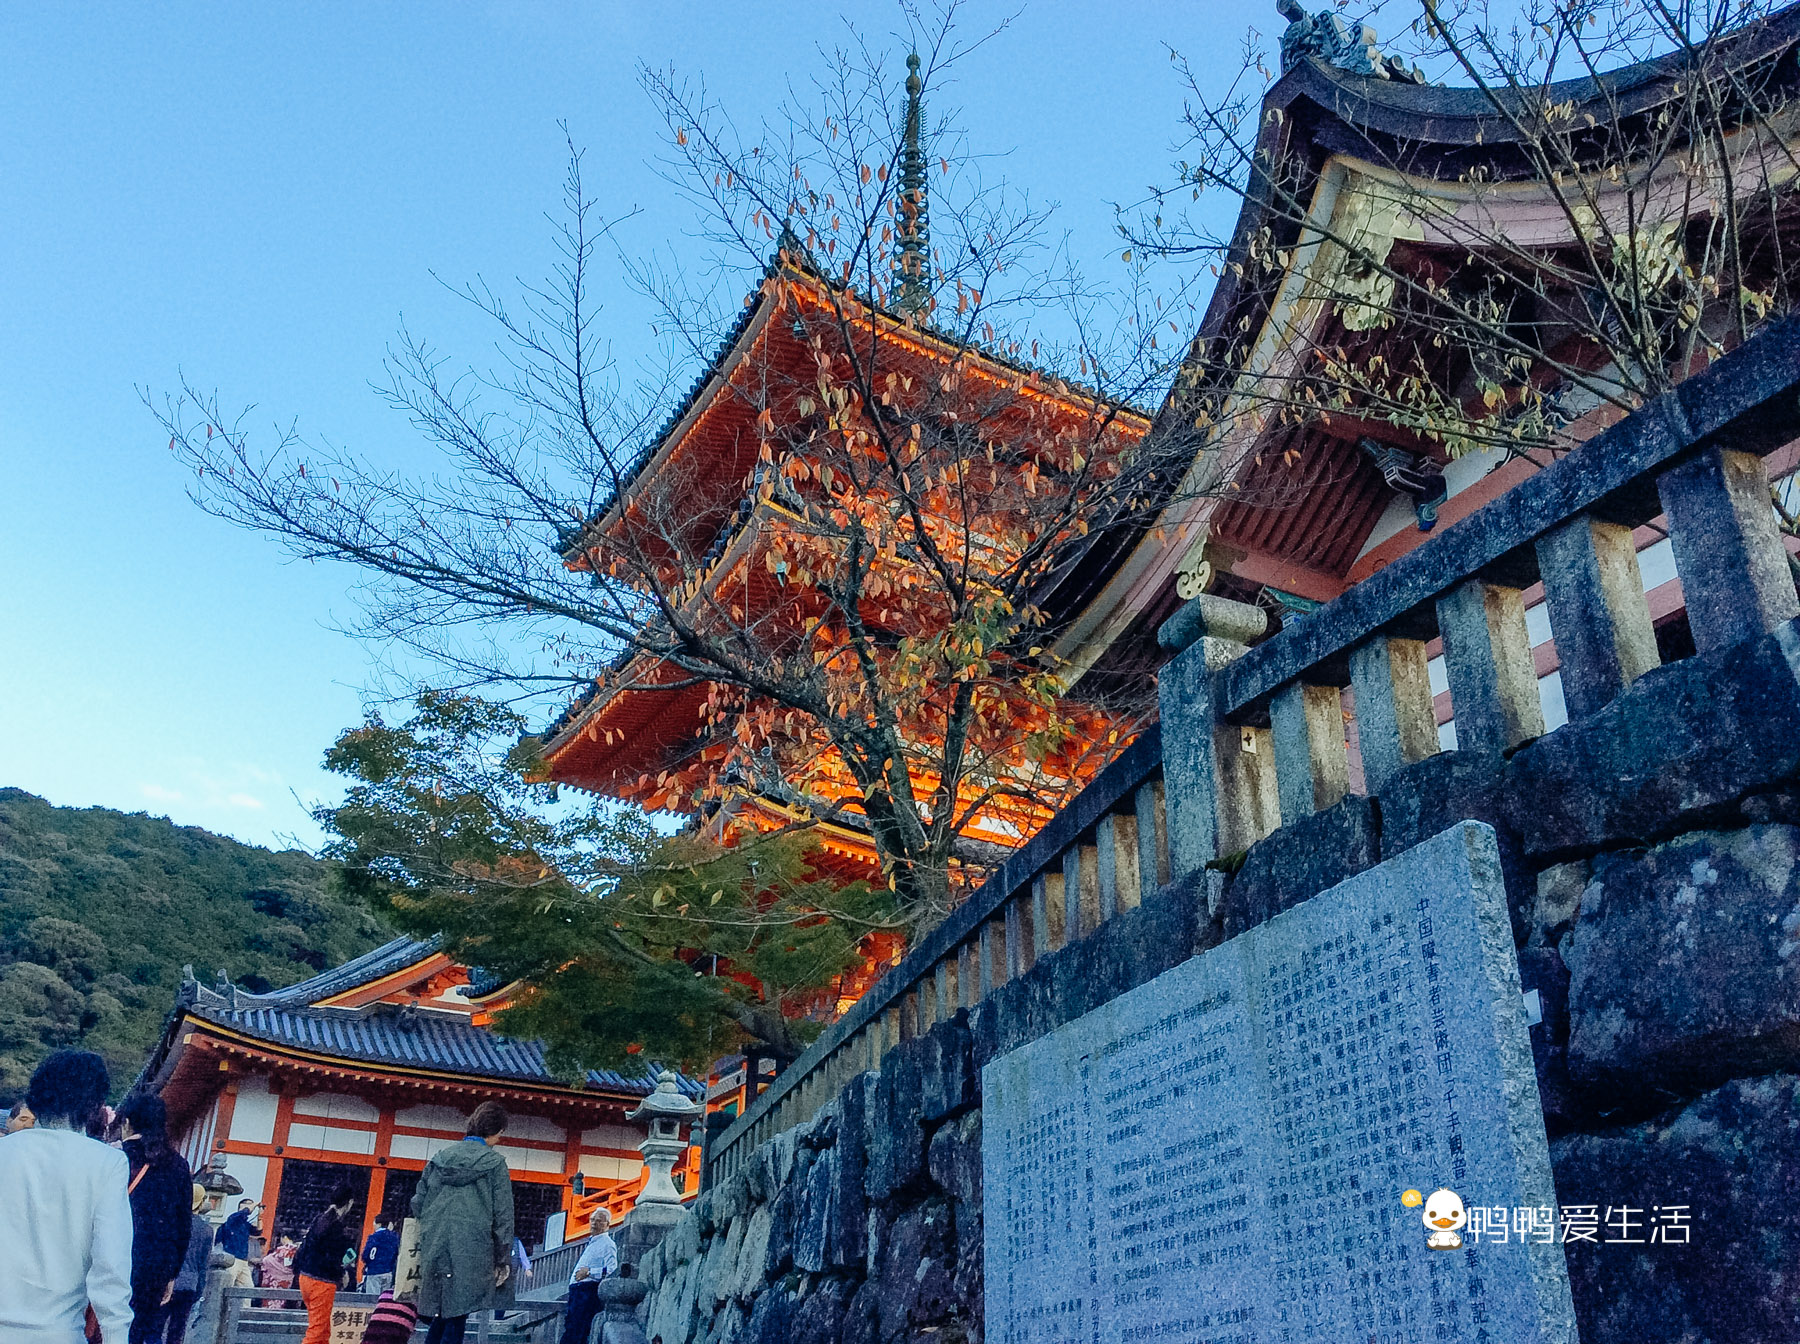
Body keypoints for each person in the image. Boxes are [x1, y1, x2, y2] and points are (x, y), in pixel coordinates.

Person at [0, 1049, 133, 1344]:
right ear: (95, 1104)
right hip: (57, 1334)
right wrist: (116, 1337)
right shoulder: (106, 1164)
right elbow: (111, 1266)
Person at [411, 1100, 515, 1344]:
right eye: (500, 1133)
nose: (500, 1138)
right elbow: (503, 1216)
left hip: (436, 1241)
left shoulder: (439, 1158)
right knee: (458, 1313)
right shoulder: (495, 1164)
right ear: (494, 1131)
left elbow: (417, 1202)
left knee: (441, 1313)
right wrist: (502, 1258)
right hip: (472, 1248)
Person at [116, 1091, 195, 1344]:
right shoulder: (178, 1165)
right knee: (144, 1329)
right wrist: (172, 1274)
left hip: (115, 1254)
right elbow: (183, 1226)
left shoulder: (115, 1157)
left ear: (127, 1122)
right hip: (156, 1265)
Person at [293, 1182, 360, 1344]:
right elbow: (331, 1259)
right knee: (316, 1332)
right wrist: (342, 1273)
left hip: (305, 1278)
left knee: (322, 1330)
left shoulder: (319, 1220)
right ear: (349, 1202)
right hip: (321, 1283)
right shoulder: (336, 1226)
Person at [160, 1183, 213, 1344]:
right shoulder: (206, 1230)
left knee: (156, 1325)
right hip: (190, 1284)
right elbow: (204, 1264)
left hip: (166, 1280)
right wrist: (200, 1289)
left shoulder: (172, 1222)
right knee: (178, 1329)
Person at [558, 1207, 617, 1344]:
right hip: (578, 1290)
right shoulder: (593, 1242)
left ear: (607, 1224)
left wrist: (590, 1272)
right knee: (572, 1327)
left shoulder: (608, 1244)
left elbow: (612, 1268)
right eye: (592, 1220)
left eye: (599, 1221)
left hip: (587, 1290)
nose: (594, 1223)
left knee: (578, 1329)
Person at [215, 1198, 262, 1289]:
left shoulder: (245, 1224)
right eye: (248, 1204)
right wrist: (255, 1204)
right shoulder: (233, 1218)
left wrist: (260, 1217)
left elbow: (258, 1231)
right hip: (232, 1258)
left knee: (248, 1287)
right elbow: (245, 1212)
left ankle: (246, 1304)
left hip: (244, 1260)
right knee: (228, 1285)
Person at [360, 1216, 399, 1295]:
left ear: (379, 1224)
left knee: (372, 1298)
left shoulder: (373, 1237)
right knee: (384, 1297)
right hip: (388, 1271)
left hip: (374, 1271)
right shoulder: (394, 1237)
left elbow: (366, 1254)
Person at [259, 1236, 297, 1307]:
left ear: (285, 1238)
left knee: (269, 1301)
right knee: (281, 1301)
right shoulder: (297, 1250)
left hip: (273, 1278)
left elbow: (266, 1260)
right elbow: (289, 1265)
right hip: (287, 1280)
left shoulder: (284, 1250)